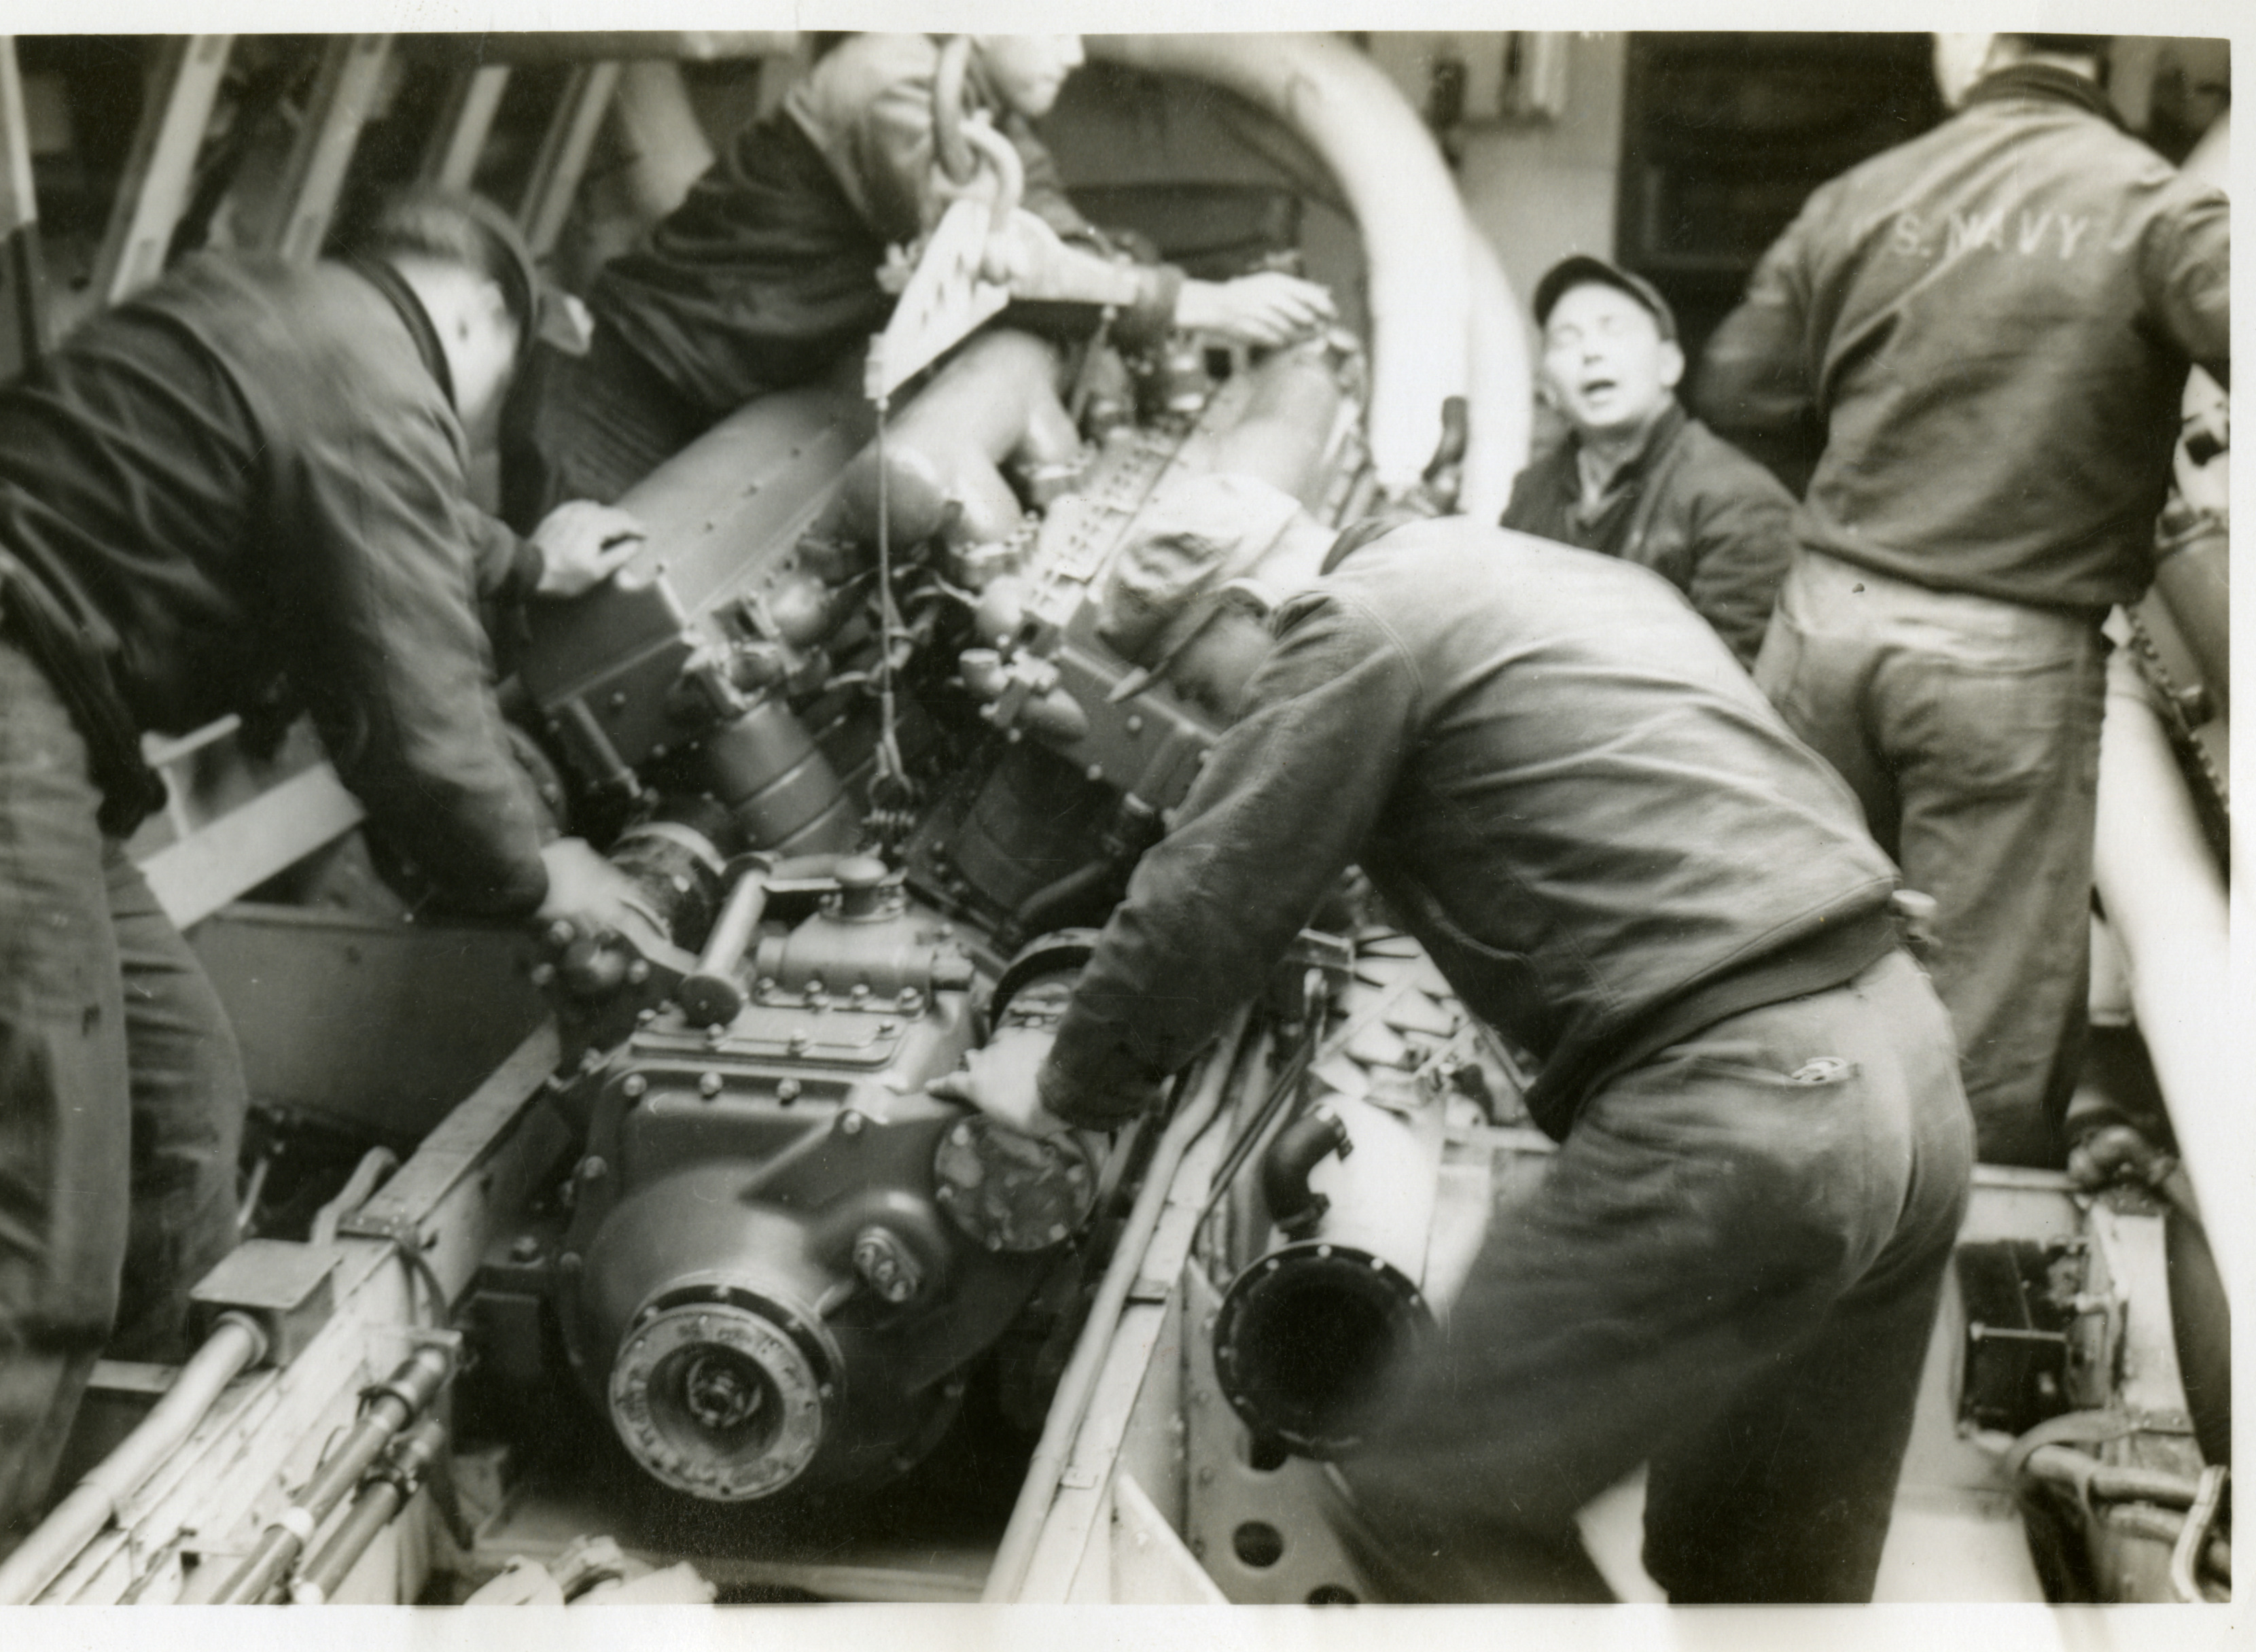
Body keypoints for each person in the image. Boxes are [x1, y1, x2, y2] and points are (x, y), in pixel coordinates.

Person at [935, 471, 1972, 1602]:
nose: (1217, 713)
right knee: (1764, 1582)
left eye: (1198, 679)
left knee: (1432, 1491)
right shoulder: (1545, 575)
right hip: (1903, 1071)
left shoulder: (1355, 620)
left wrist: (1064, 1087)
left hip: (1752, 1105)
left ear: (1245, 605)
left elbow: (1211, 892)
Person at [0, 189, 663, 1604]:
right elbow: (421, 721)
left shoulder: (291, 320)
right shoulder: (377, 372)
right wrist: (548, 878)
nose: (468, 439)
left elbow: (383, 531)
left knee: (180, 1113)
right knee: (14, 1217)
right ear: (485, 321)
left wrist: (529, 560)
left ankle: (150, 1499)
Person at [1695, 33, 2229, 1167]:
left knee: (1776, 965)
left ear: (1978, 53)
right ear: (2108, 68)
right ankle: (1935, 1315)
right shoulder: (2154, 206)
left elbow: (1739, 383)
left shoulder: (1865, 192)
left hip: (1825, 624)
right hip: (2006, 659)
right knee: (1972, 1036)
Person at [501, 33, 1335, 525]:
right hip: (619, 396)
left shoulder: (983, 112)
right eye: (1061, 24)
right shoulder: (890, 88)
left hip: (716, 398)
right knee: (591, 653)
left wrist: (1153, 284)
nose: (1077, 53)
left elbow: (1058, 232)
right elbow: (1016, 264)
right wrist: (1204, 301)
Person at [1500, 256, 1797, 668]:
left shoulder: (1739, 499)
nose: (1591, 352)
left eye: (1614, 329)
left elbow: (1727, 687)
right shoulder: (1530, 492)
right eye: (1566, 339)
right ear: (1548, 388)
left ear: (1669, 364)